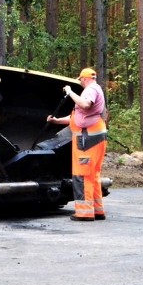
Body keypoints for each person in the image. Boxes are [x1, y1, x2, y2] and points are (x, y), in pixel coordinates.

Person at [47, 68, 107, 221]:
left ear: (85, 78)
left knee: (82, 175)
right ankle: (97, 210)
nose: (80, 82)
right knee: (93, 175)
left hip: (87, 139)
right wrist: (57, 121)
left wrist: (70, 92)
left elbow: (86, 105)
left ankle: (84, 212)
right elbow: (77, 116)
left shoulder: (90, 90)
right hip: (95, 136)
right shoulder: (96, 89)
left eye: (80, 79)